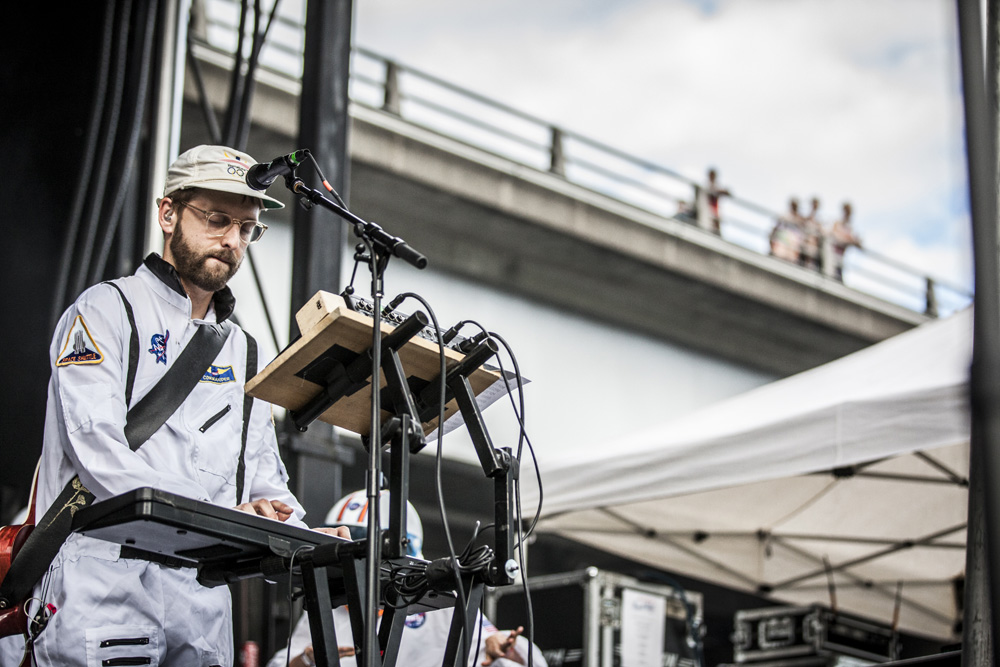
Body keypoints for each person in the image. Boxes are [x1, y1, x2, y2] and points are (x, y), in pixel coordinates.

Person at [20, 145, 346, 666]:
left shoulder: (246, 349)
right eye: (217, 219)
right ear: (167, 213)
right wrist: (221, 513)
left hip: (201, 604)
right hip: (104, 588)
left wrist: (305, 535)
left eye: (247, 229)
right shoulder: (106, 309)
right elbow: (97, 450)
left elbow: (261, 479)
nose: (232, 240)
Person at [268, 490, 546, 667]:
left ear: (403, 550)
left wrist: (500, 645)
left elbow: (514, 650)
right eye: (345, 548)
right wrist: (307, 659)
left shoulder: (441, 603)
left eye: (363, 547)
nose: (353, 559)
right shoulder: (329, 605)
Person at [828, 201, 862, 281]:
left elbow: (856, 242)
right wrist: (849, 241)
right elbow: (837, 238)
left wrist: (854, 241)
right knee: (833, 274)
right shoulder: (837, 224)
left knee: (839, 275)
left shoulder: (849, 228)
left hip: (841, 258)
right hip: (832, 255)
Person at [769, 197, 804, 263]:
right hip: (782, 243)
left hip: (792, 246)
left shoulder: (800, 219)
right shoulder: (784, 216)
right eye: (793, 205)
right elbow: (776, 229)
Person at [702, 168, 731, 234]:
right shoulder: (708, 186)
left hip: (714, 211)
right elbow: (715, 191)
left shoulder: (714, 185)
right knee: (712, 225)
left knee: (716, 225)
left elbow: (723, 192)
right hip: (708, 210)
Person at [798, 196, 824, 271]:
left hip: (812, 246)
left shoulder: (818, 221)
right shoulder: (806, 218)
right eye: (813, 204)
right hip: (804, 242)